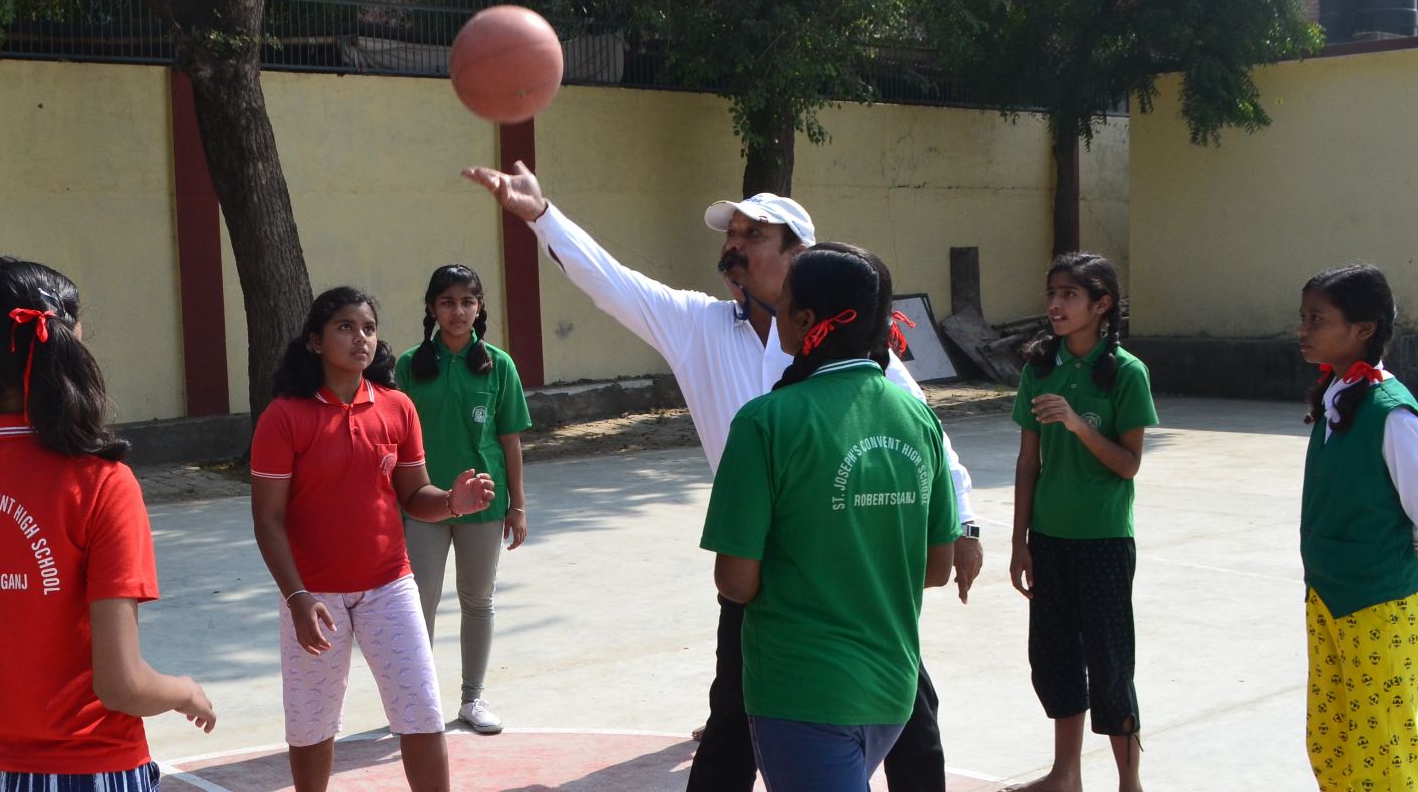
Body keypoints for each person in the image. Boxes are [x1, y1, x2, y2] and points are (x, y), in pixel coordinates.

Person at [463, 161, 980, 791]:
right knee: (734, 718)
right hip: (763, 569)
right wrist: (543, 217)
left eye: (753, 234)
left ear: (799, 258)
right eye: (729, 234)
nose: (732, 246)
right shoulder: (699, 327)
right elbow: (612, 284)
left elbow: (927, 437)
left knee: (913, 718)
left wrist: (965, 520)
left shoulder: (859, 356)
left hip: (850, 564)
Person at [0, 257, 215, 791]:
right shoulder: (101, 483)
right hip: (92, 768)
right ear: (65, 347)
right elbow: (122, 685)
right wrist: (184, 690)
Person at [702, 247, 959, 791]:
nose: (777, 310)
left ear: (805, 320)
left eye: (786, 300)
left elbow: (736, 582)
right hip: (891, 687)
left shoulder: (767, 421)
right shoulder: (917, 416)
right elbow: (938, 568)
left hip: (802, 692)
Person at [250, 286, 495, 792]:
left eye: (368, 328)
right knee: (312, 722)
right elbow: (268, 520)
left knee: (421, 710)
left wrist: (452, 501)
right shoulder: (284, 417)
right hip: (314, 593)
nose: (360, 338)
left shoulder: (397, 407)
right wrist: (298, 598)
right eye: (345, 327)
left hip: (389, 584)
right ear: (315, 341)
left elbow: (414, 493)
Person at [1294, 264, 1418, 791]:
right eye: (1303, 317)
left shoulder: (1390, 412)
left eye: (1318, 318)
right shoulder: (1338, 394)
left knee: (1380, 751)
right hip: (1329, 598)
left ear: (1362, 329)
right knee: (1330, 743)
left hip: (1378, 607)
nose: (1303, 329)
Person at [1006, 253, 1155, 792]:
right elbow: (1028, 463)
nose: (1055, 305)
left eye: (1070, 294)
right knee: (1054, 661)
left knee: (1111, 665)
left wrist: (1076, 424)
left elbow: (1129, 464)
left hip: (1104, 543)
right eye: (1052, 293)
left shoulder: (1126, 374)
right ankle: (1065, 774)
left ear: (1102, 305)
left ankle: (1128, 783)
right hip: (1048, 541)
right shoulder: (1039, 369)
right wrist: (1019, 542)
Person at [395, 264, 534, 735]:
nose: (458, 311)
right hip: (423, 504)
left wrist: (517, 505)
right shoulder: (409, 365)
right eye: (448, 302)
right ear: (432, 308)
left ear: (479, 309)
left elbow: (510, 440)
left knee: (478, 599)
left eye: (467, 302)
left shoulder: (500, 364)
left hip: (484, 504)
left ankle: (473, 699)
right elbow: (392, 441)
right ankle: (417, 700)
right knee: (419, 600)